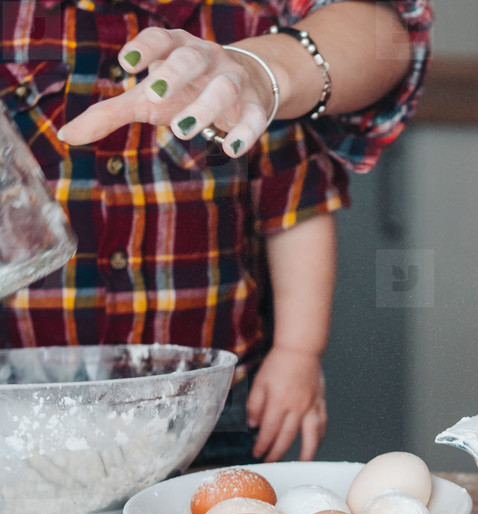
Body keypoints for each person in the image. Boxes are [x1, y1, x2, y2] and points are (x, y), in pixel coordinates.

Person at [2, 0, 431, 464]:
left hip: (208, 403)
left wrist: (297, 352)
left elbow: (296, 206)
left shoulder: (247, 25)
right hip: (21, 403)